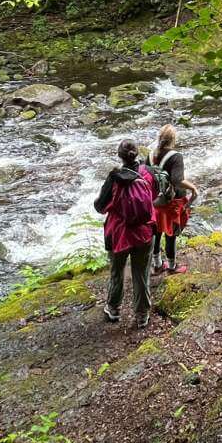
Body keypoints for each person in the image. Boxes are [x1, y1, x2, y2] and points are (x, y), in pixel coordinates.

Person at [94, 139, 156, 328]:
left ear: (119, 156)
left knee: (116, 271)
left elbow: (100, 207)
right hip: (144, 232)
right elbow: (156, 196)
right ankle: (142, 314)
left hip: (119, 234)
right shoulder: (148, 173)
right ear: (137, 153)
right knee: (141, 272)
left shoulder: (114, 178)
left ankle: (113, 309)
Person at [149, 124, 200, 274]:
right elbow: (177, 180)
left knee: (156, 233)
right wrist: (193, 188)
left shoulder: (151, 155)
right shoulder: (176, 157)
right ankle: (172, 267)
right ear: (174, 139)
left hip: (156, 200)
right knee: (171, 233)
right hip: (173, 202)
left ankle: (157, 265)